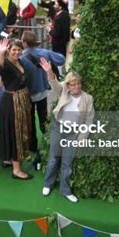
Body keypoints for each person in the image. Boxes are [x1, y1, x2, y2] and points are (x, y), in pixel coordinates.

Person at [39, 58, 94, 203]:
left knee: (67, 163)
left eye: (78, 84)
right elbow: (55, 85)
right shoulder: (63, 90)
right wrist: (49, 71)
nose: (76, 87)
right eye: (73, 84)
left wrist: (82, 138)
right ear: (68, 85)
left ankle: (65, 190)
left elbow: (88, 121)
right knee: (53, 158)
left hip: (73, 133)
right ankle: (48, 184)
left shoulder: (88, 99)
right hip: (58, 128)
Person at [21, 31, 65, 161]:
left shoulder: (21, 57)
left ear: (24, 43)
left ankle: (32, 146)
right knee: (44, 119)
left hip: (27, 94)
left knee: (29, 121)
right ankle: (47, 143)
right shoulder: (44, 53)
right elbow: (61, 59)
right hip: (42, 92)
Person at [0, 38, 33, 180]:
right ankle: (17, 170)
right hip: (13, 102)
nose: (17, 52)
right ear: (8, 51)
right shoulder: (6, 62)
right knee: (16, 132)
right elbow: (0, 68)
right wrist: (0, 53)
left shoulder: (20, 61)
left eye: (19, 50)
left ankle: (8, 158)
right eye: (13, 50)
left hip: (20, 99)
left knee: (13, 130)